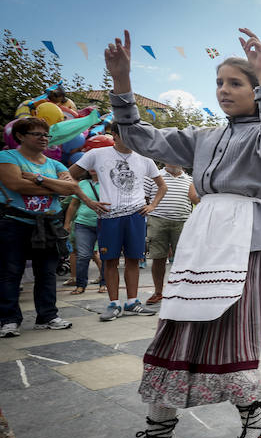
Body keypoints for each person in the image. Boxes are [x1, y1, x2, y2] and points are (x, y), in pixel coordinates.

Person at [101, 28, 261, 438]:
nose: (224, 90)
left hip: (242, 237)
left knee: (232, 333)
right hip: (202, 235)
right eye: (220, 83)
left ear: (256, 91)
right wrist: (123, 82)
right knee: (174, 331)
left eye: (236, 83)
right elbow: (142, 138)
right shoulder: (202, 137)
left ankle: (253, 419)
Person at [0, 118, 108, 338]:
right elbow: (15, 185)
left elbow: (71, 188)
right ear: (20, 136)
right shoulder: (7, 157)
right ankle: (9, 319)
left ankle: (47, 316)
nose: (44, 139)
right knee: (10, 273)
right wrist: (54, 187)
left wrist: (37, 178)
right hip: (14, 223)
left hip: (49, 225)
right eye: (37, 134)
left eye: (46, 135)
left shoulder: (55, 164)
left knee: (47, 273)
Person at [70, 122, 165, 320]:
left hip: (136, 216)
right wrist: (87, 200)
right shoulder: (97, 154)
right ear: (114, 134)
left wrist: (152, 205)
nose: (131, 138)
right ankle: (113, 304)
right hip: (108, 216)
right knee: (110, 260)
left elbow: (161, 186)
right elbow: (68, 176)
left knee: (133, 259)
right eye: (126, 134)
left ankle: (132, 302)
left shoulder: (144, 158)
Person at [143, 164, 199, 304]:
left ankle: (182, 291)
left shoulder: (189, 179)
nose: (174, 162)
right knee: (158, 258)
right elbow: (143, 197)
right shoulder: (154, 176)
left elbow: (195, 199)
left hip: (183, 222)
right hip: (157, 220)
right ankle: (158, 292)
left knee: (184, 259)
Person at [64, 170, 107, 294]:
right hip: (83, 224)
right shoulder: (82, 184)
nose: (93, 168)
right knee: (83, 256)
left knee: (105, 255)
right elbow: (73, 205)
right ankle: (80, 285)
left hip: (105, 224)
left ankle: (104, 283)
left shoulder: (109, 183)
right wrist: (67, 223)